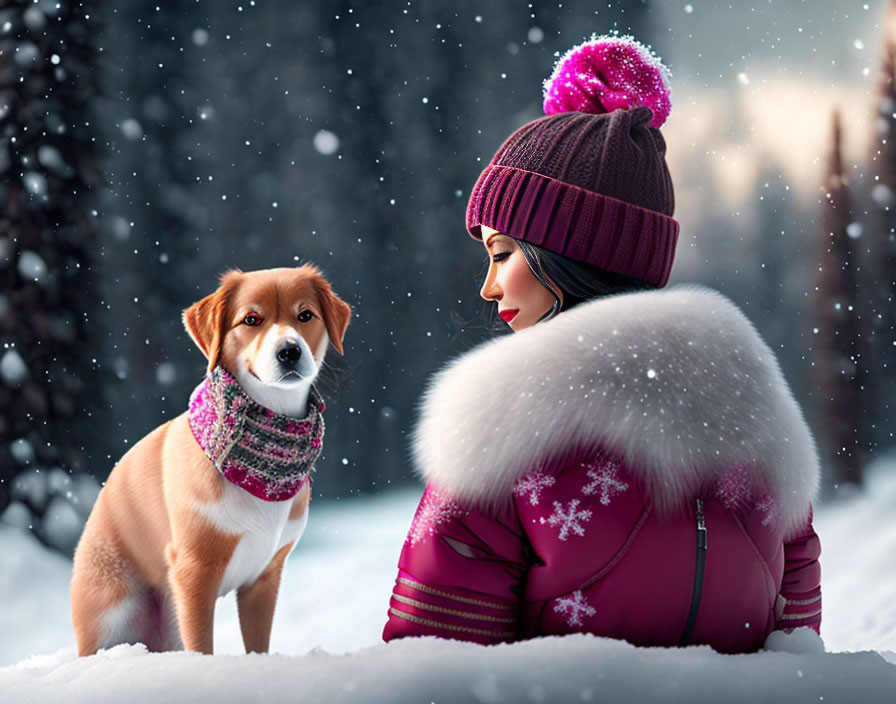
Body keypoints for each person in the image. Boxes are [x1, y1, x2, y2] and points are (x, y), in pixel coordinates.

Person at [382, 35, 821, 653]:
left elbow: (435, 668)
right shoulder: (761, 428)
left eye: (502, 253)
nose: (487, 286)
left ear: (568, 257)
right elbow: (799, 654)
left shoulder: (494, 437)